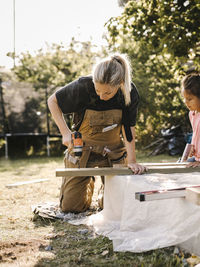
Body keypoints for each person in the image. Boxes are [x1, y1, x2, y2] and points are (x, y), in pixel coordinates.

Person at [48, 54, 147, 213]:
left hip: (113, 151)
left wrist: (132, 160)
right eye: (97, 89)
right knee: (70, 208)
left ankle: (105, 192)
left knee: (114, 207)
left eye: (107, 93)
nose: (101, 96)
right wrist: (65, 133)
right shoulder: (83, 86)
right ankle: (86, 182)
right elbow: (52, 101)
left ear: (120, 84)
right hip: (83, 150)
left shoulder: (129, 91)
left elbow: (128, 127)